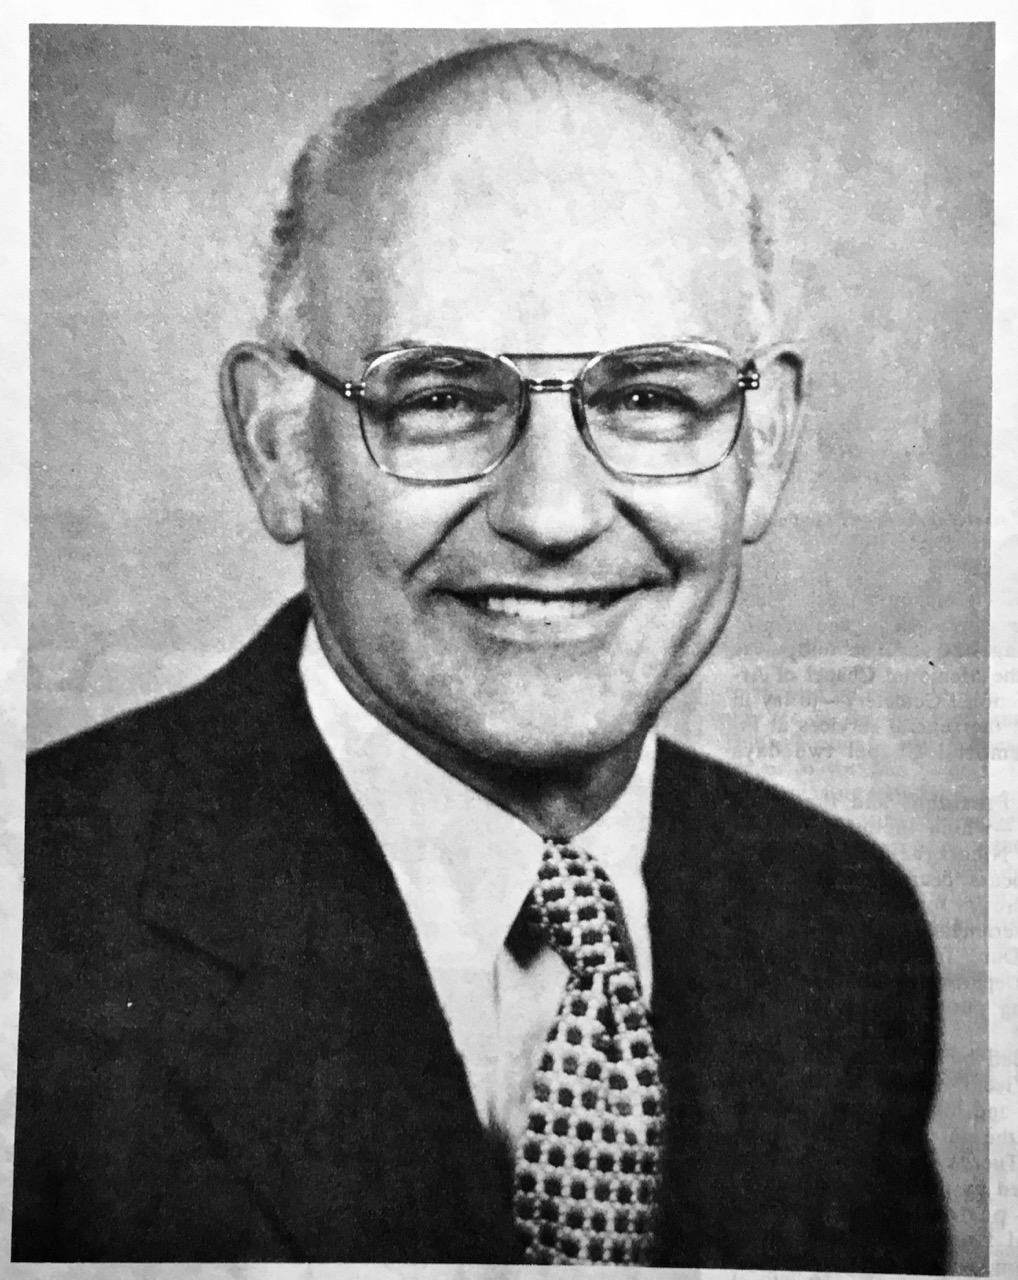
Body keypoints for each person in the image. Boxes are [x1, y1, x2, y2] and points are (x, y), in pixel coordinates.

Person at [12, 39, 948, 1270]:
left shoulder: (842, 925)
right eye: (442, 397)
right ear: (278, 443)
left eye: (647, 395)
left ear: (763, 444)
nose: (550, 512)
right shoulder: (41, 928)